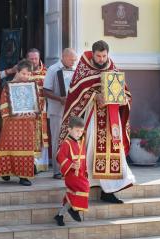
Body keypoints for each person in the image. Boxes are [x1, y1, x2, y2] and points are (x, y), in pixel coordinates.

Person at [58, 40, 135, 204]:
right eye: (98, 56)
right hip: (92, 118)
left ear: (108, 54)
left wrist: (121, 99)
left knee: (114, 151)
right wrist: (94, 96)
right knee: (90, 150)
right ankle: (88, 185)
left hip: (111, 119)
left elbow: (126, 95)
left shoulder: (113, 68)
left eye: (104, 56)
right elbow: (75, 93)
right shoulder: (83, 69)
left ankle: (109, 190)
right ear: (92, 54)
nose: (101, 59)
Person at [0, 59, 39, 186]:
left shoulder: (31, 86)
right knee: (8, 147)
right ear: (17, 72)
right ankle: (6, 171)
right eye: (24, 74)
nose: (26, 77)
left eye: (28, 74)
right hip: (11, 123)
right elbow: (3, 106)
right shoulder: (7, 87)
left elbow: (36, 105)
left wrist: (34, 113)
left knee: (25, 148)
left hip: (27, 124)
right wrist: (14, 115)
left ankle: (24, 176)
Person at [44, 48, 77, 179]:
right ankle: (57, 171)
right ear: (63, 57)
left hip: (71, 111)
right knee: (58, 139)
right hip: (57, 111)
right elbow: (45, 91)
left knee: (72, 139)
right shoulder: (53, 69)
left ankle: (69, 168)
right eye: (71, 59)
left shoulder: (75, 69)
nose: (74, 62)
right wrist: (60, 99)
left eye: (75, 60)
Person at [54, 116, 89, 226]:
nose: (79, 133)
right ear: (69, 130)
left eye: (81, 131)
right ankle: (74, 210)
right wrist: (72, 165)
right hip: (71, 174)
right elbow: (59, 157)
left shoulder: (81, 142)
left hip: (80, 173)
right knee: (84, 187)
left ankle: (60, 215)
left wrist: (85, 170)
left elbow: (83, 158)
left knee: (72, 195)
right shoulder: (66, 143)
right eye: (77, 131)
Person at [26, 48, 49, 173]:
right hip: (27, 110)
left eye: (36, 58)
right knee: (29, 135)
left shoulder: (46, 72)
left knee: (40, 136)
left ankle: (40, 164)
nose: (34, 61)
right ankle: (30, 163)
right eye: (31, 59)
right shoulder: (23, 71)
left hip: (42, 109)